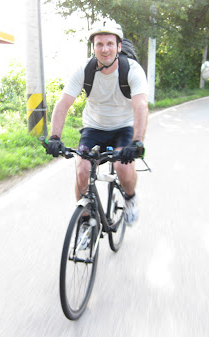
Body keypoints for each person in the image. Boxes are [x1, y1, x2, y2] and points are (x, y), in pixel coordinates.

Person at [46, 20, 149, 226]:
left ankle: (130, 198)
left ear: (119, 47)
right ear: (93, 47)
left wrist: (137, 142)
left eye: (110, 44)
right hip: (94, 127)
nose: (105, 49)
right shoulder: (85, 70)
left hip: (124, 127)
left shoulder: (132, 70)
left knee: (122, 166)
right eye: (99, 44)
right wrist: (55, 137)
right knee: (82, 169)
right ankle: (85, 221)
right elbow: (63, 104)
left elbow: (141, 106)